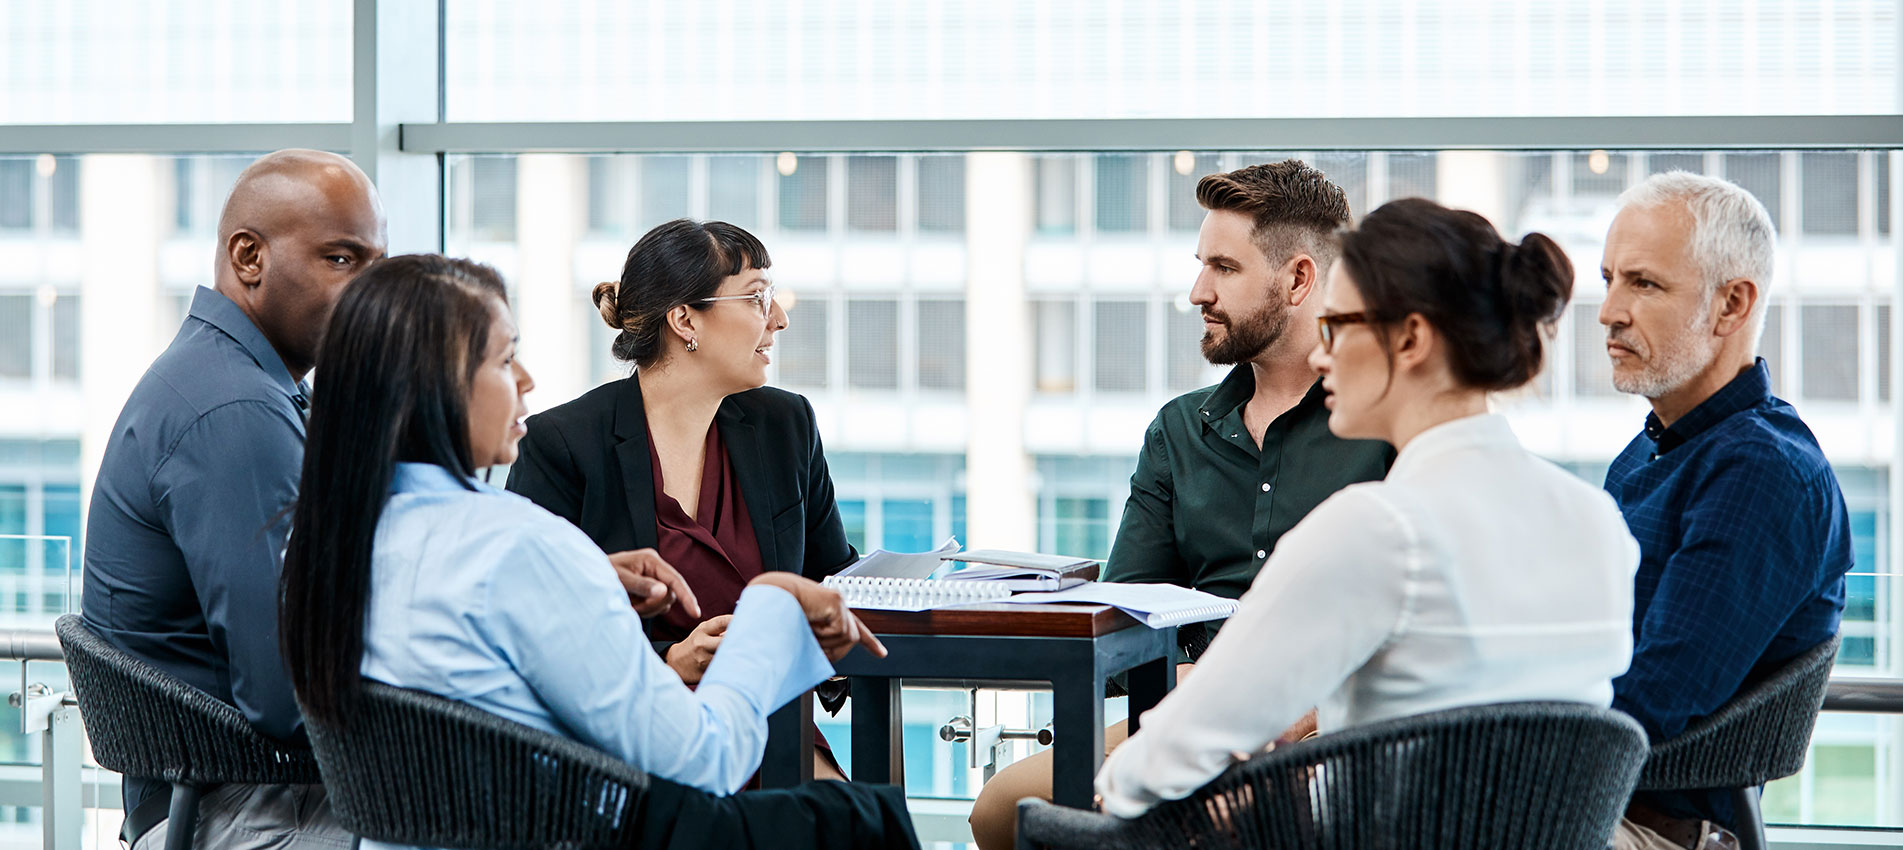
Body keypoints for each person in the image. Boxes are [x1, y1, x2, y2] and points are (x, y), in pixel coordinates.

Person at [278, 254, 917, 850]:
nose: (526, 381)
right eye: (504, 362)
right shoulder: (518, 542)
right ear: (429, 389)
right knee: (871, 819)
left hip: (465, 831)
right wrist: (769, 613)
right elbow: (706, 760)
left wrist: (582, 580)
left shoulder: (324, 544)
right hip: (587, 826)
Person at [1094, 198, 1640, 820]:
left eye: (1337, 328)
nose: (1321, 358)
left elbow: (1161, 761)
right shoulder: (1599, 525)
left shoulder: (1375, 528)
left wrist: (1112, 789)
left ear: (1409, 339)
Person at [968, 160, 1393, 849]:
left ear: (1297, 279)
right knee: (1001, 809)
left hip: (1334, 718)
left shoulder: (1381, 417)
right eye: (1201, 265)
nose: (1198, 291)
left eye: (1223, 268)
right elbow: (1127, 614)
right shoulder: (1178, 429)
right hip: (1190, 701)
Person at [81, 149, 387, 850]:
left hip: (238, 789)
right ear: (248, 257)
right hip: (235, 805)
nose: (371, 292)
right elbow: (287, 694)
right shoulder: (233, 409)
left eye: (377, 264)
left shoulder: (236, 382)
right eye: (343, 259)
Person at [506, 219, 857, 779]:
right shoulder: (563, 445)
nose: (780, 319)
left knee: (856, 823)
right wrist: (669, 663)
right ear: (685, 318)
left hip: (771, 724)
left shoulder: (785, 424)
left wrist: (835, 643)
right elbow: (531, 629)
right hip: (633, 741)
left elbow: (836, 579)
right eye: (757, 297)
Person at [1599, 173, 1853, 850]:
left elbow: (1648, 703)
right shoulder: (1653, 448)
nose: (1608, 311)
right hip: (1588, 800)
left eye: (1642, 284)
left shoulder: (1760, 473)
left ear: (1730, 304)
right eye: (1608, 279)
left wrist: (1475, 731)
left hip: (1640, 827)